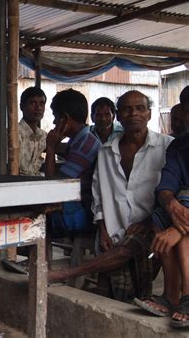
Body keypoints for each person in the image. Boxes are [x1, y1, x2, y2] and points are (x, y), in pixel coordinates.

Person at [49, 90, 174, 302]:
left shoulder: (167, 147)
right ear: (119, 115)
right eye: (127, 109)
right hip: (114, 228)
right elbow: (98, 195)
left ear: (149, 114)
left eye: (140, 108)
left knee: (129, 250)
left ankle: (66, 273)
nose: (133, 113)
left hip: (151, 227)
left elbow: (172, 191)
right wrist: (103, 227)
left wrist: (149, 220)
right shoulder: (107, 151)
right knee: (116, 293)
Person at [134, 85, 189, 327]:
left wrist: (179, 228)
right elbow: (166, 184)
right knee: (163, 215)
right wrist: (170, 203)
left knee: (183, 232)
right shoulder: (180, 146)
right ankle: (170, 297)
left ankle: (186, 296)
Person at [45, 89, 100, 235]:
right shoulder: (82, 139)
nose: (54, 122)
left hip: (82, 215)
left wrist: (50, 148)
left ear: (65, 119)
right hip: (79, 209)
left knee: (29, 216)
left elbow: (54, 188)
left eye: (56, 117)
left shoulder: (85, 144)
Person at [18, 87, 47, 176]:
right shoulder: (14, 133)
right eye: (32, 103)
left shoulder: (43, 135)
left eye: (42, 104)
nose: (38, 108)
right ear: (21, 106)